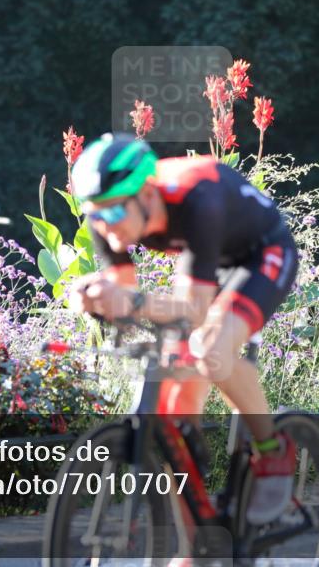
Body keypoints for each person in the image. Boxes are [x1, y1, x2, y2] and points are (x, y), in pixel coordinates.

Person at [67, 133, 299, 527]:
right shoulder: (109, 219)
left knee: (211, 350)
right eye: (95, 215)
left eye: (112, 213)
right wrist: (98, 301)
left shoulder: (196, 198)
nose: (104, 228)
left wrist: (133, 303)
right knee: (172, 414)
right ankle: (197, 554)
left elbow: (192, 311)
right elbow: (126, 295)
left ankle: (273, 450)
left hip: (263, 255)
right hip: (207, 263)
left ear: (147, 194)